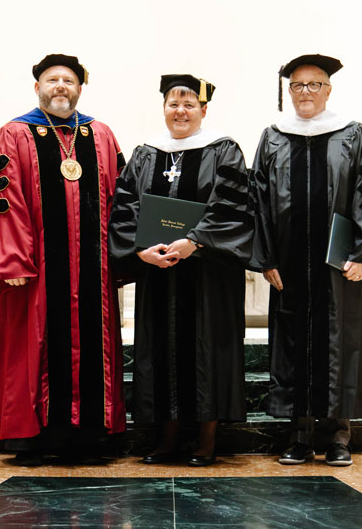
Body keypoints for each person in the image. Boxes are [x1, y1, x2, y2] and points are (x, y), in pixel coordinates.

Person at [0, 54, 126, 466]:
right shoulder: (14, 134)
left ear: (80, 89)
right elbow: (1, 202)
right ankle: (31, 437)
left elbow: (123, 202)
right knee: (30, 348)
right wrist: (10, 260)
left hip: (92, 271)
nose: (60, 87)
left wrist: (123, 257)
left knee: (93, 346)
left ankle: (89, 434)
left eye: (68, 80)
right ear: (37, 87)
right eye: (52, 80)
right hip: (35, 274)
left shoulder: (100, 135)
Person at [251, 54, 362, 466]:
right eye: (298, 85)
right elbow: (258, 201)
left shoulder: (352, 135)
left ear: (329, 90)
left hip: (338, 266)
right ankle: (298, 435)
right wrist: (266, 258)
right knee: (292, 345)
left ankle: (338, 436)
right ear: (289, 91)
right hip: (290, 265)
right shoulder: (273, 136)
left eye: (314, 85)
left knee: (339, 344)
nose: (306, 93)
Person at [109, 74, 254, 467]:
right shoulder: (145, 154)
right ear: (164, 108)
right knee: (161, 350)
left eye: (190, 104)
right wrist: (141, 250)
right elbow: (125, 205)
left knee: (208, 347)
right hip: (158, 270)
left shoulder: (224, 151)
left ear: (204, 110)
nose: (181, 111)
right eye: (174, 103)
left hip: (208, 273)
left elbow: (233, 206)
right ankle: (167, 437)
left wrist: (196, 241)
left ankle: (206, 439)